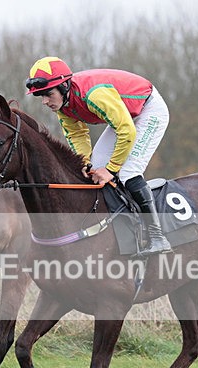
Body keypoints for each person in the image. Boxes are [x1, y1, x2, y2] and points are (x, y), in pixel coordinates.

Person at [26, 57, 172, 257]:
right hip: (125, 117)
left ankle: (157, 237)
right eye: (40, 96)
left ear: (64, 86)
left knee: (128, 171)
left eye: (48, 94)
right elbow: (78, 136)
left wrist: (111, 170)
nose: (45, 102)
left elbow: (127, 132)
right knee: (95, 168)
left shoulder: (94, 95)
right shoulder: (63, 105)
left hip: (148, 110)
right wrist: (84, 163)